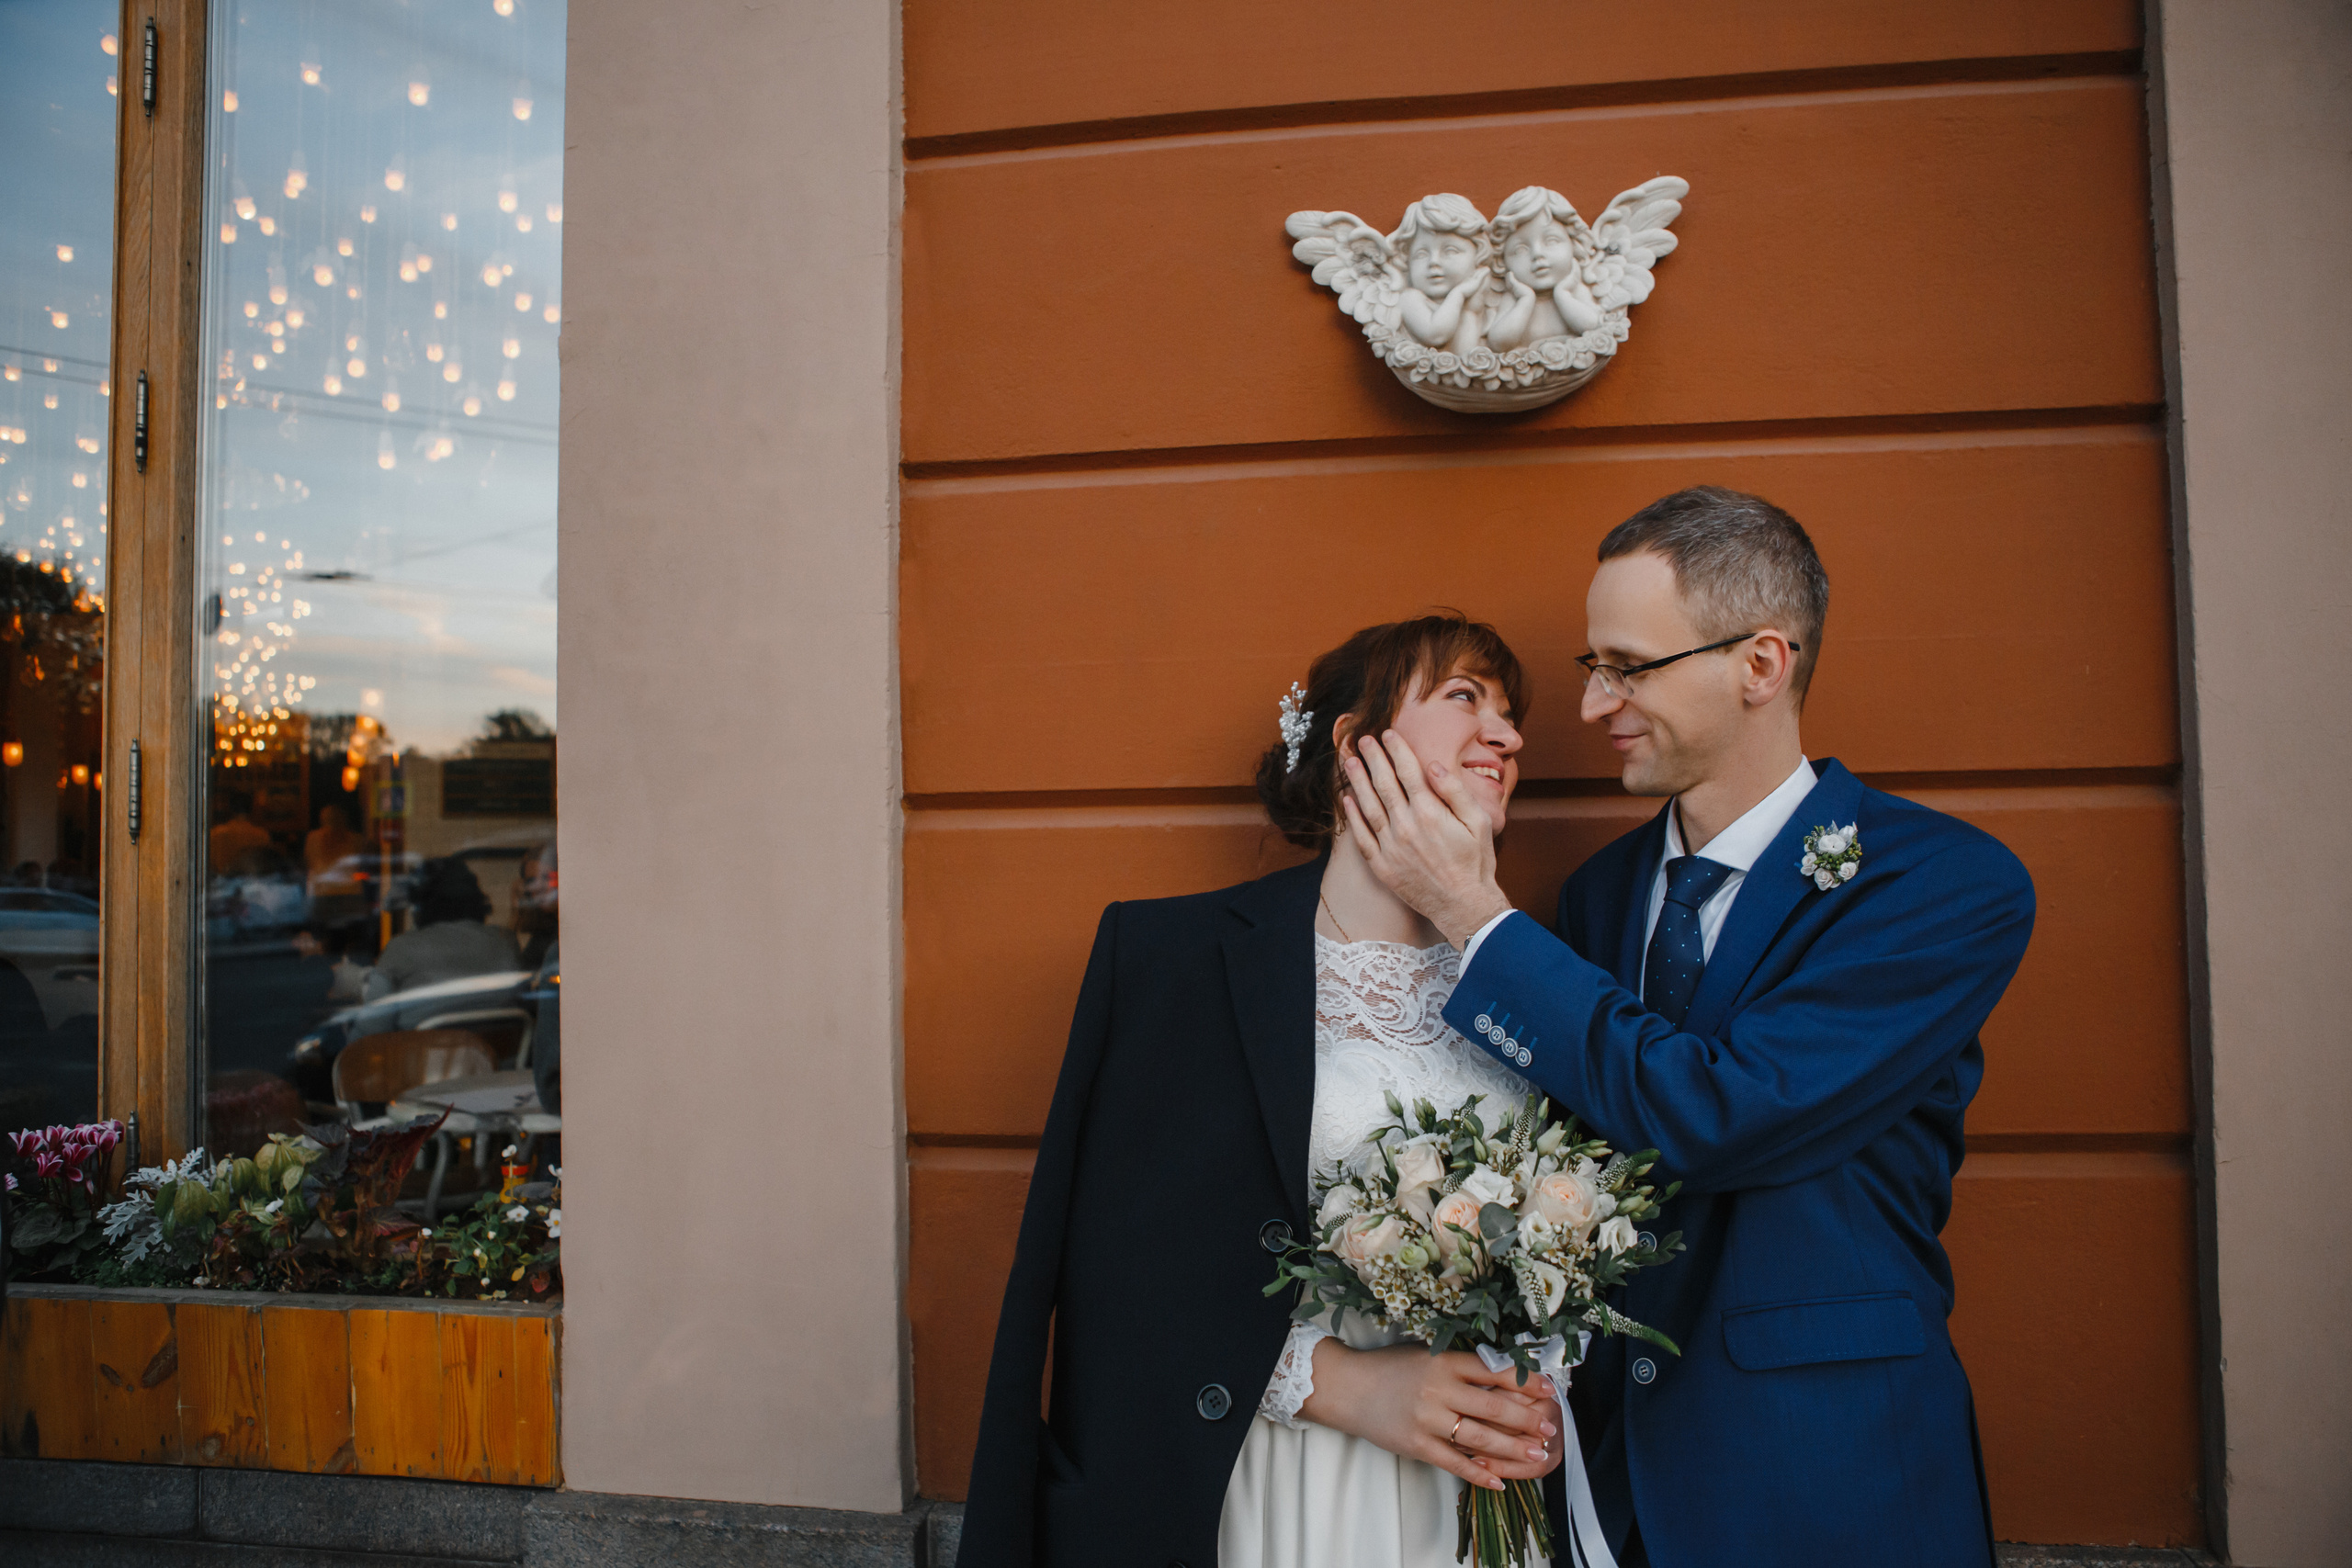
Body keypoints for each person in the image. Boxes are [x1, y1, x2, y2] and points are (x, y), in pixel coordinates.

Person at [1337, 488, 2034, 1568]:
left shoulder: (1941, 884)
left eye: (1628, 667)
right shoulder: (1602, 895)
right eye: (1591, 667)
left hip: (1827, 1472)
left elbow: (1719, 1113)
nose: (1590, 705)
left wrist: (1475, 916)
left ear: (1759, 665)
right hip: (1597, 1478)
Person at [962, 615, 1568, 1568]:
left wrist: (1545, 1394)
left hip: (1483, 1492)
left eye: (1508, 714)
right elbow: (1113, 1267)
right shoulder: (1171, 959)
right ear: (1350, 742)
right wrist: (1344, 1387)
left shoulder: (1544, 983)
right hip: (1273, 1479)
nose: (1507, 735)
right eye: (1464, 698)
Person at [362, 857, 523, 1001]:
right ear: (476, 898)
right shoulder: (505, 942)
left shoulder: (401, 949)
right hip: (497, 1035)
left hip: (422, 1035)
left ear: (421, 903)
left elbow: (371, 1027)